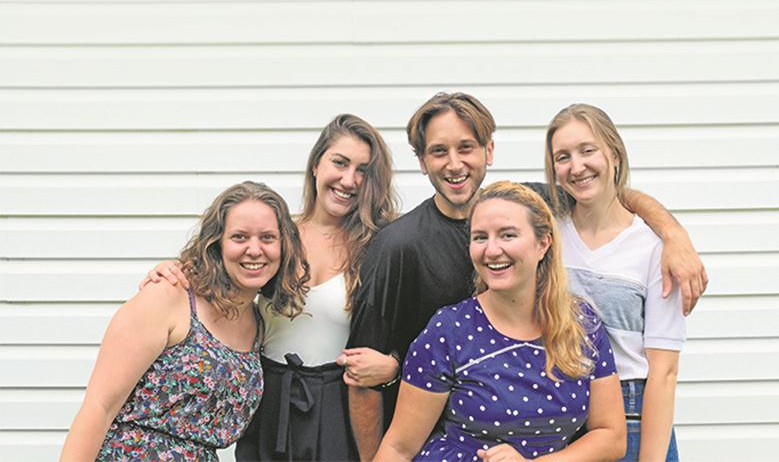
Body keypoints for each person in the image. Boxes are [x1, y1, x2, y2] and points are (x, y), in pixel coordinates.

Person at [347, 92, 706, 460]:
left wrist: (673, 234)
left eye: (466, 147)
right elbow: (364, 377)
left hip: (596, 412)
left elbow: (609, 196)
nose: (454, 163)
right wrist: (395, 367)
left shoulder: (532, 211)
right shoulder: (400, 247)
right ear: (422, 161)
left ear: (542, 243)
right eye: (439, 151)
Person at [143, 114, 401, 461]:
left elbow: (412, 328)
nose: (349, 180)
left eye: (363, 170)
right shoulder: (277, 237)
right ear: (316, 165)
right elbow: (216, 274)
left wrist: (394, 365)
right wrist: (171, 272)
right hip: (269, 397)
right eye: (339, 163)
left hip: (338, 403)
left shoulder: (379, 249)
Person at [374, 181, 627, 462]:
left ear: (543, 243)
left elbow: (611, 435)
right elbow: (399, 447)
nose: (491, 250)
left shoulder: (582, 325)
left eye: (507, 235)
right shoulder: (450, 330)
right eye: (480, 237)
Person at [60, 181, 308, 461]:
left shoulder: (260, 322)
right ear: (217, 243)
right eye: (239, 237)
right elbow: (98, 407)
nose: (254, 249)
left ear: (283, 246)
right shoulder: (169, 295)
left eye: (267, 237)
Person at [546, 104, 686, 461]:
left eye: (587, 150)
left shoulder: (655, 248)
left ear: (614, 154)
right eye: (563, 157)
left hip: (633, 413)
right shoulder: (548, 239)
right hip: (560, 411)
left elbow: (664, 371)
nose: (577, 166)